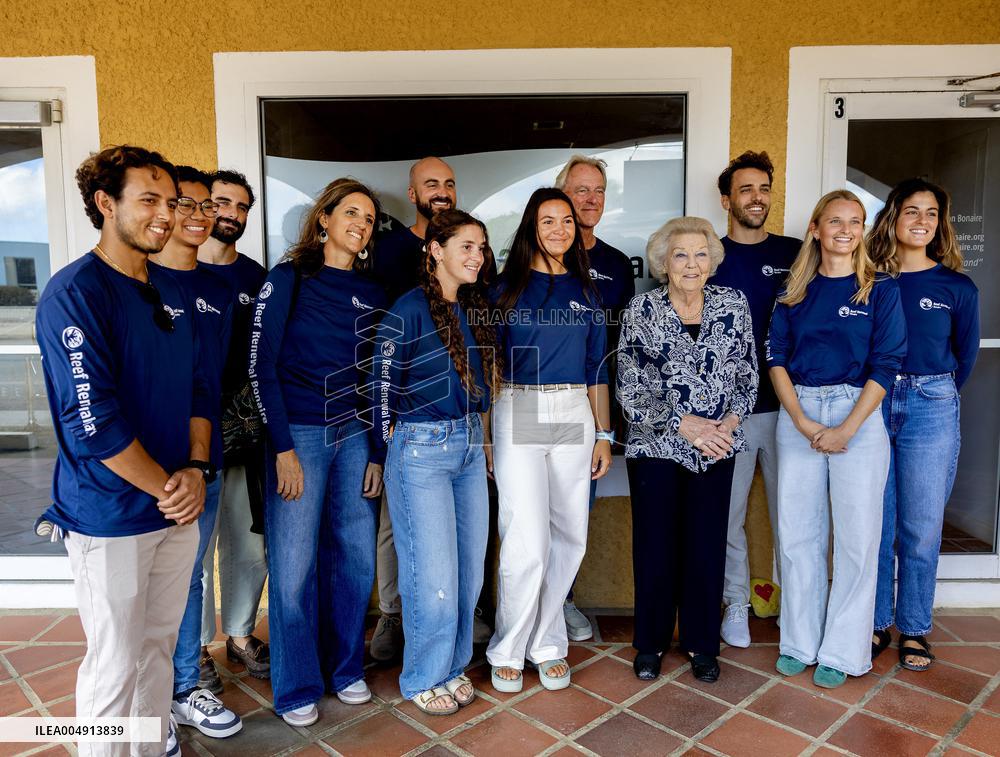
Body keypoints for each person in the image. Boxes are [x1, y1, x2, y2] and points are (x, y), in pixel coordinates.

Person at [36, 145, 212, 757]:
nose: (166, 214)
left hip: (175, 506)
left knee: (157, 649)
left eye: (173, 202)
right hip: (111, 514)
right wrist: (172, 487)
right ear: (105, 204)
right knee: (113, 664)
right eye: (150, 201)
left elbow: (200, 387)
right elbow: (94, 421)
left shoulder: (171, 289)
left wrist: (195, 468)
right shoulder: (75, 293)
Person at [250, 178, 386, 726]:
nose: (361, 224)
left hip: (355, 434)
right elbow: (261, 368)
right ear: (324, 218)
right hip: (299, 435)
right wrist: (281, 447)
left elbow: (378, 378)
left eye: (370, 218)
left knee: (354, 558)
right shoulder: (287, 279)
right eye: (351, 212)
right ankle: (297, 685)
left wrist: (377, 449)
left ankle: (345, 668)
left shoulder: (374, 293)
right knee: (294, 567)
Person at [767, 190, 906, 689]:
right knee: (798, 534)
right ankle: (799, 642)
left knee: (857, 540)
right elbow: (776, 357)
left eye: (855, 222)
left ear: (862, 231)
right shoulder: (794, 289)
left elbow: (886, 363)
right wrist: (803, 421)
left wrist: (847, 428)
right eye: (835, 221)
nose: (845, 230)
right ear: (816, 228)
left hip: (859, 414)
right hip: (799, 411)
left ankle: (844, 651)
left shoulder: (880, 290)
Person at [618, 216, 757, 684]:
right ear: (663, 263)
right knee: (655, 547)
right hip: (656, 445)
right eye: (681, 255)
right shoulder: (642, 309)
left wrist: (729, 423)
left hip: (718, 445)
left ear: (712, 261)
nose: (692, 264)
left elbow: (747, 375)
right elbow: (630, 388)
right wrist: (685, 424)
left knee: (706, 546)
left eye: (701, 254)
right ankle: (650, 644)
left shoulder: (733, 304)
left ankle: (701, 643)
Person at [376, 209, 502, 714]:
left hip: (470, 448)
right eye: (466, 246)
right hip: (421, 452)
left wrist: (486, 442)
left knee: (469, 572)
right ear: (435, 251)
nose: (477, 256)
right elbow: (380, 387)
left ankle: (451, 667)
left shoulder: (475, 306)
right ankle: (423, 675)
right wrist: (390, 449)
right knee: (432, 573)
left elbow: (483, 384)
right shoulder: (406, 310)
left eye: (481, 247)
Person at [487, 187, 612, 693]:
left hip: (573, 410)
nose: (559, 230)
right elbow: (488, 369)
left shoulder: (587, 291)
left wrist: (604, 433)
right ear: (530, 227)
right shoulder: (504, 289)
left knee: (570, 533)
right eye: (548, 221)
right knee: (526, 537)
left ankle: (548, 643)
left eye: (566, 221)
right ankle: (508, 647)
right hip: (519, 404)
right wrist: (488, 440)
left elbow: (596, 370)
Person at [868, 179, 979, 671]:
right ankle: (873, 621)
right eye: (911, 211)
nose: (921, 221)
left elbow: (966, 357)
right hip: (872, 401)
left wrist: (934, 392)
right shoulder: (868, 278)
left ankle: (913, 628)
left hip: (931, 403)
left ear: (940, 223)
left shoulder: (956, 286)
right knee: (876, 522)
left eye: (931, 213)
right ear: (892, 217)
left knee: (920, 527)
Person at [148, 167, 242, 740]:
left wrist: (200, 459)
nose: (199, 214)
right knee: (137, 583)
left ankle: (184, 688)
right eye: (186, 203)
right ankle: (144, 703)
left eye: (207, 206)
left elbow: (212, 381)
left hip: (201, 457)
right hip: (137, 462)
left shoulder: (218, 289)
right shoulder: (135, 279)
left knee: (188, 574)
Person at [710, 150, 801, 647]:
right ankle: (736, 604)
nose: (756, 197)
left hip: (791, 409)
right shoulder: (712, 256)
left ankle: (797, 606)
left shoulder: (795, 253)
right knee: (730, 519)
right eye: (745, 189)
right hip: (730, 415)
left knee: (796, 514)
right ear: (727, 199)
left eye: (763, 188)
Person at [368, 156, 455, 662]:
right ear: (412, 191)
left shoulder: (468, 251)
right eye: (431, 184)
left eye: (448, 184)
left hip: (455, 414)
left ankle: (462, 610)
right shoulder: (390, 249)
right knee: (392, 521)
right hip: (402, 409)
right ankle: (393, 614)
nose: (441, 191)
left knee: (459, 521)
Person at [553, 154, 635, 642]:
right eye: (580, 189)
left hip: (592, 403)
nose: (590, 200)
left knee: (575, 509)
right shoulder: (532, 259)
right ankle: (528, 604)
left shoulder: (616, 265)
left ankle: (562, 598)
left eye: (598, 191)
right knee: (531, 511)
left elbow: (619, 349)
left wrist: (609, 425)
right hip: (536, 404)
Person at [197, 170, 270, 688]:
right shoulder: (171, 271)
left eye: (243, 207)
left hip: (246, 426)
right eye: (223, 202)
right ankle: (195, 647)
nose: (233, 214)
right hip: (189, 429)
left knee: (248, 540)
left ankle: (240, 634)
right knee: (192, 548)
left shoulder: (256, 277)